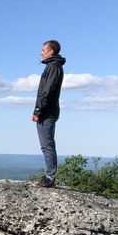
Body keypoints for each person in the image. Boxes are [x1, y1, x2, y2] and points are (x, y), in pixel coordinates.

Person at [31, 40, 65, 187]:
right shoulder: (53, 67)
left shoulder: (53, 67)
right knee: (46, 144)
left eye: (44, 50)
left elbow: (47, 91)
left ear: (51, 51)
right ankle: (49, 176)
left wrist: (38, 110)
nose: (41, 52)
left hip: (47, 112)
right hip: (48, 110)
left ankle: (50, 178)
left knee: (47, 145)